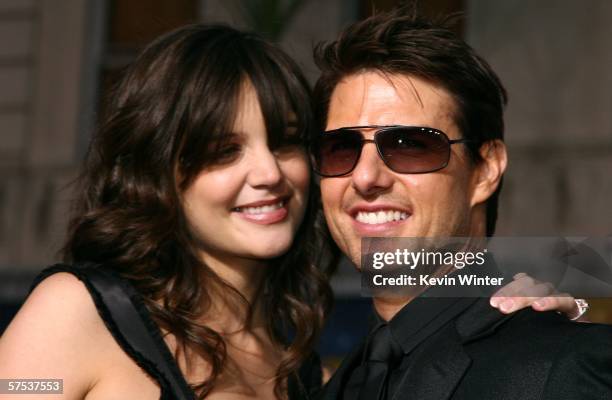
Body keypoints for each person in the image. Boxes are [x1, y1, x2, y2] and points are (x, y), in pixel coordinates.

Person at [0, 22, 589, 400]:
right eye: (223, 151)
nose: (268, 173)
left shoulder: (302, 366)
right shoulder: (76, 315)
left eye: (285, 142)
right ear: (161, 172)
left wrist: (510, 311)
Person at [309, 7, 612, 400]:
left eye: (410, 146)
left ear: (485, 169)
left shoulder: (565, 368)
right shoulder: (332, 387)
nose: (366, 177)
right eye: (340, 149)